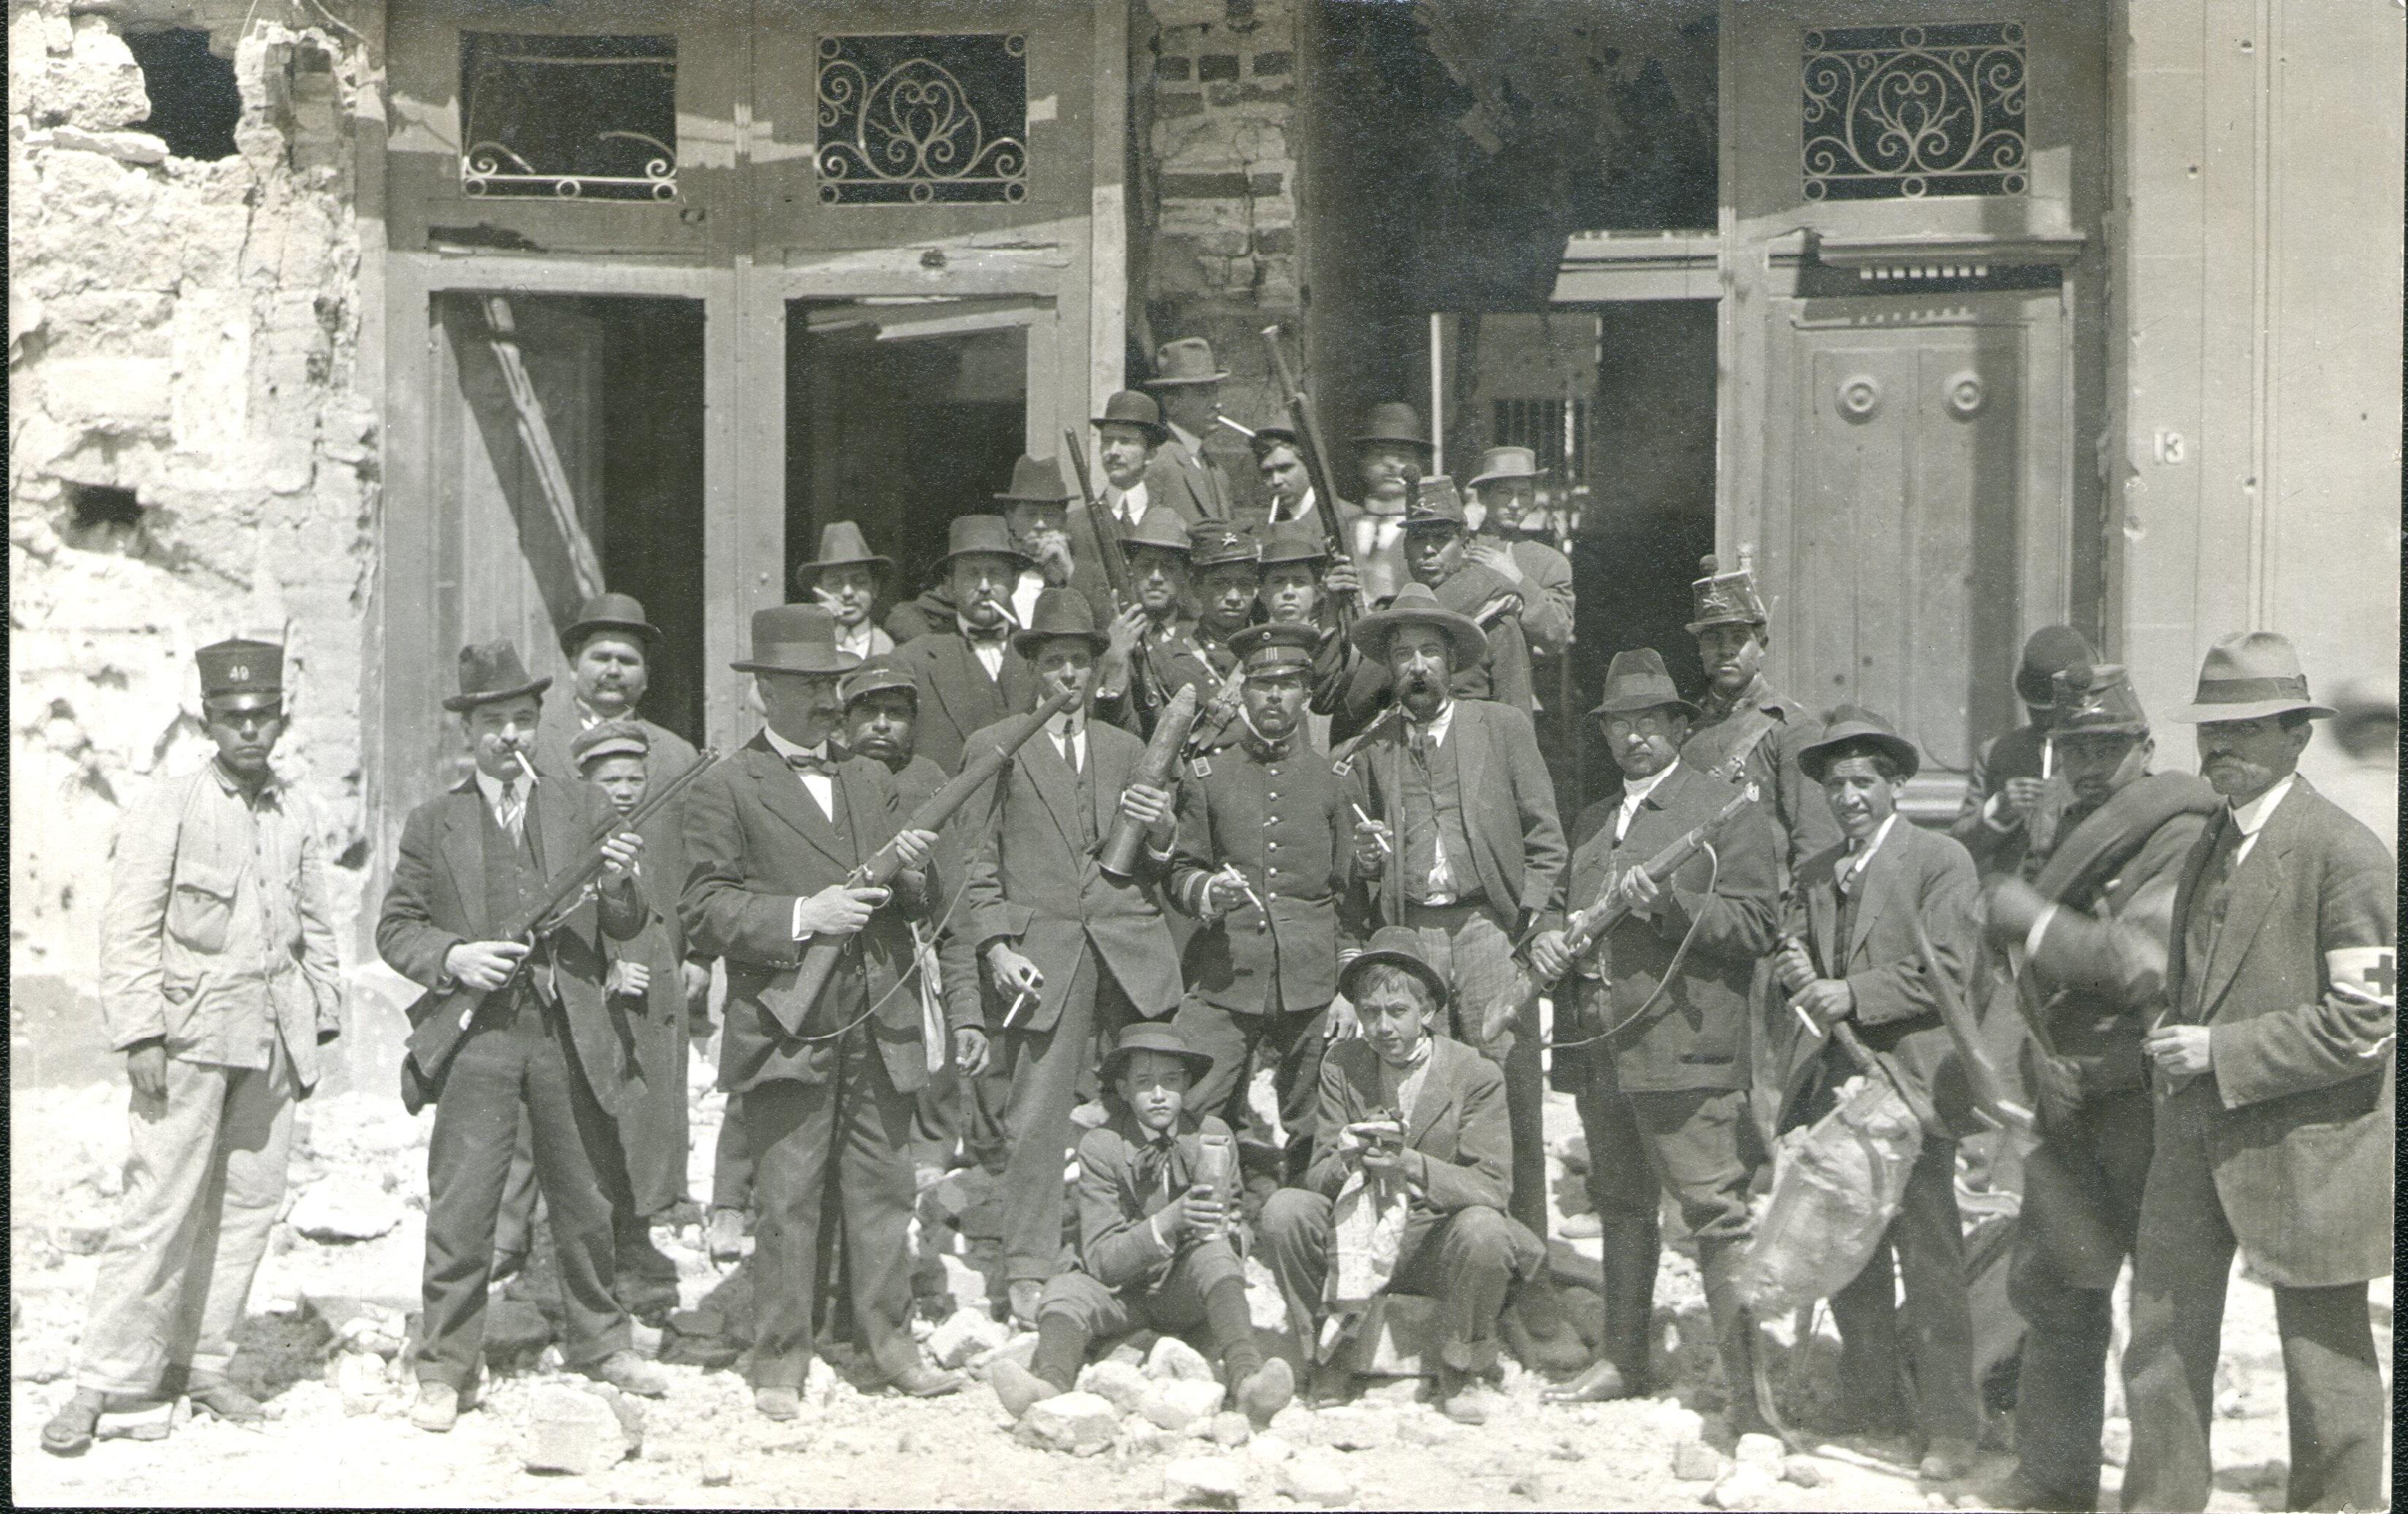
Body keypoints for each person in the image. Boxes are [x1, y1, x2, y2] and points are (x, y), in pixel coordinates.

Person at [42, 639, 344, 1456]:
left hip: (272, 1039)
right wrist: (140, 1031)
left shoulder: (297, 811)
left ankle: (201, 1361)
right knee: (157, 1204)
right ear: (210, 721)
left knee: (246, 1207)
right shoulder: (169, 803)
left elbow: (316, 925)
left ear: (281, 719)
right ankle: (101, 1380)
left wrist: (323, 1019)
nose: (250, 730)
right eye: (233, 716)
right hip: (188, 1037)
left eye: (263, 715)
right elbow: (129, 924)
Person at [2116, 632, 2393, 1514]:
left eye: (2241, 728)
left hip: (2308, 1149)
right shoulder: (2210, 837)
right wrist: (2171, 1024)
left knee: (2326, 1366)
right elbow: (2194, 972)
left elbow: (2370, 1019)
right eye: (2208, 728)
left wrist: (2218, 1051)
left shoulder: (2346, 853)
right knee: (2158, 1343)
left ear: (2295, 735)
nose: (2217, 747)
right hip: (2192, 1140)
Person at [679, 605, 967, 1418]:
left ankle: (889, 1345)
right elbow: (701, 908)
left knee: (882, 1193)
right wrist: (806, 913)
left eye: (832, 684)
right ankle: (780, 1359)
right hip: (787, 1019)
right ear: (764, 690)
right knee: (787, 1195)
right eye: (808, 686)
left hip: (877, 1013)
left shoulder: (868, 779)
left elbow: (919, 902)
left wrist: (911, 874)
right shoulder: (726, 784)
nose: (827, 701)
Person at [376, 641, 666, 1432]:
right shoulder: (436, 821)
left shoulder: (581, 805)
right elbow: (396, 928)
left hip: (568, 1027)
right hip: (478, 1038)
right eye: (494, 721)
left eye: (522, 719)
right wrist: (455, 956)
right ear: (467, 732)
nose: (510, 736)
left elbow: (628, 920)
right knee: (464, 1201)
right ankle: (445, 1364)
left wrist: (613, 885)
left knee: (585, 1197)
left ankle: (601, 1343)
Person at [1970, 664, 2217, 1513]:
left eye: (2105, 745)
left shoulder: (2175, 828)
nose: (2086, 762)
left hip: (2142, 1103)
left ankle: (2162, 1500)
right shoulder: (2073, 824)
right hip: (2067, 1098)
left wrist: (2030, 917)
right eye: (2072, 744)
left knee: (2161, 1316)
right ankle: (2050, 1478)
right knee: (2058, 1294)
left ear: (2144, 748)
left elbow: (2138, 958)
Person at [1528, 650, 1782, 1436]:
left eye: (1649, 721)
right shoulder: (1593, 820)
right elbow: (1554, 906)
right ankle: (1623, 1358)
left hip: (1684, 1049)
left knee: (1714, 1215)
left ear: (1679, 726)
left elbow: (1756, 925)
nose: (1633, 737)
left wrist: (1669, 904)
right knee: (1622, 1205)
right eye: (1619, 725)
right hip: (1601, 1043)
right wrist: (1541, 939)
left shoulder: (1727, 808)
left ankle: (1752, 1404)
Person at [1339, 583, 1580, 1369]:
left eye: (1429, 651)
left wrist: (1534, 927)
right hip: (1412, 943)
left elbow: (1548, 841)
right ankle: (1447, 1284)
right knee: (1413, 1111)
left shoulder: (1501, 728)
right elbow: (1356, 870)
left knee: (1508, 1111)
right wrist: (1365, 861)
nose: (1415, 666)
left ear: (1452, 661)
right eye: (1402, 652)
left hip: (1485, 932)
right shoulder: (1374, 751)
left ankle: (1532, 1288)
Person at [959, 588, 1185, 1326]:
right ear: (1033, 669)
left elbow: (1154, 861)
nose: (1066, 676)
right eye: (1052, 662)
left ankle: (1143, 1252)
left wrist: (1161, 830)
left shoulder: (1126, 749)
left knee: (1151, 1102)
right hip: (1041, 951)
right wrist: (992, 943)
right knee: (1036, 1114)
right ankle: (1026, 1267)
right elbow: (974, 859)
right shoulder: (997, 744)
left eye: (1079, 663)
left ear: (1096, 671)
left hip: (1127, 945)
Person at [1771, 707, 1981, 1480]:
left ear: (1896, 783)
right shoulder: (1819, 871)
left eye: (1864, 780)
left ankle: (1951, 1422)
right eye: (1835, 784)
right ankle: (1870, 1398)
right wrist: (1805, 992)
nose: (1849, 795)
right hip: (1840, 1091)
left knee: (1929, 1259)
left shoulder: (1940, 860)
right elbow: (1806, 978)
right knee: (1848, 1250)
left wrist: (1847, 992)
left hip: (1913, 1090)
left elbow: (1948, 971)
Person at [1257, 928, 1547, 1425]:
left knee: (1484, 1230)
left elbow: (1493, 1187)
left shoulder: (1473, 1074)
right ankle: (1329, 1356)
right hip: (1356, 1238)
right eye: (1370, 1013)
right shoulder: (1342, 1065)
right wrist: (1351, 1158)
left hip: (1435, 1243)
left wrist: (1414, 1165)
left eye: (1398, 1012)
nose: (1383, 1027)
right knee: (1285, 1211)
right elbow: (1318, 1176)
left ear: (1428, 1012)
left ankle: (1462, 1366)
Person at [986, 1024, 1297, 1424]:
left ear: (1187, 1084)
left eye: (1170, 1081)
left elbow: (1233, 1217)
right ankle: (1048, 1385)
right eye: (1144, 1082)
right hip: (1119, 1293)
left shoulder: (1212, 1136)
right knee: (1064, 1290)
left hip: (1183, 1291)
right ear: (1123, 1088)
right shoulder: (1102, 1145)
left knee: (1218, 1256)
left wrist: (1235, 1232)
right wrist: (1169, 1221)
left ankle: (1248, 1380)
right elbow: (1101, 1259)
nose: (1158, 1094)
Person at [1167, 623, 1358, 1190]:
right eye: (1262, 684)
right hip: (1227, 975)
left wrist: (1345, 985)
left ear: (1306, 695)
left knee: (1318, 1120)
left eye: (1290, 684)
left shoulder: (1331, 781)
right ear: (1243, 692)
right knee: (1195, 1105)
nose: (1275, 696)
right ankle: (1209, 1224)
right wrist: (1207, 893)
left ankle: (1302, 1227)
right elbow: (1180, 870)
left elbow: (1348, 896)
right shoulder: (1207, 776)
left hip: (1312, 980)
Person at [561, 720, 692, 1325]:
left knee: (651, 1110)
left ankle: (639, 1231)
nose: (624, 790)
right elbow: (565, 920)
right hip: (598, 995)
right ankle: (601, 1247)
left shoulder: (652, 827)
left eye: (634, 778)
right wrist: (611, 969)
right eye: (609, 779)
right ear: (584, 780)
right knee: (599, 1117)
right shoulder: (567, 836)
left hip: (654, 994)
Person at [1679, 555, 1838, 872]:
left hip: (1765, 906)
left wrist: (1796, 922)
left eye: (1738, 639)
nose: (1725, 650)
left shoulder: (1792, 728)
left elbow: (1816, 844)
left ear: (1761, 645)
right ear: (1699, 648)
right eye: (1712, 639)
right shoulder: (1687, 728)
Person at [891, 514, 1040, 774]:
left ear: (1014, 582)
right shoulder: (913, 660)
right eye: (972, 574)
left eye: (995, 574)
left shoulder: (1042, 655)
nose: (984, 587)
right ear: (949, 586)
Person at [1949, 625, 2095, 875]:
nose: (2047, 723)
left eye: (2055, 713)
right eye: (2036, 711)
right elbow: (1960, 851)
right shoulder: (1996, 752)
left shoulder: (2106, 754)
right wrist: (1999, 810)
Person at [1460, 444, 1576, 663]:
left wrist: (1518, 580)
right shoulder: (1459, 549)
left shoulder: (1549, 562)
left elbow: (1556, 636)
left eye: (1523, 494)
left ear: (1533, 500)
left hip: (1515, 684)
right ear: (1484, 496)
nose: (1514, 504)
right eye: (1504, 492)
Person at [994, 454, 1104, 630]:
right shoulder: (994, 572)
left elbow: (1103, 625)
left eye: (1050, 514)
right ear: (1011, 519)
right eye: (1030, 514)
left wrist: (1069, 571)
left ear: (1063, 521)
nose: (1040, 524)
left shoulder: (1087, 575)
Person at [1140, 337, 1235, 521]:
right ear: (1172, 403)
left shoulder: (1216, 471)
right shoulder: (1155, 464)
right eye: (1204, 393)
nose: (1217, 404)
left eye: (1215, 391)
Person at [1348, 400, 1430, 605]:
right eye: (1379, 454)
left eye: (1403, 455)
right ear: (1363, 463)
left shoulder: (1429, 530)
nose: (1392, 464)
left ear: (1419, 465)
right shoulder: (1344, 526)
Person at [795, 521, 897, 663]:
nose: (847, 592)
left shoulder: (891, 648)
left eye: (859, 581)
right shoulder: (803, 646)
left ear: (875, 588)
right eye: (836, 583)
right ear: (819, 591)